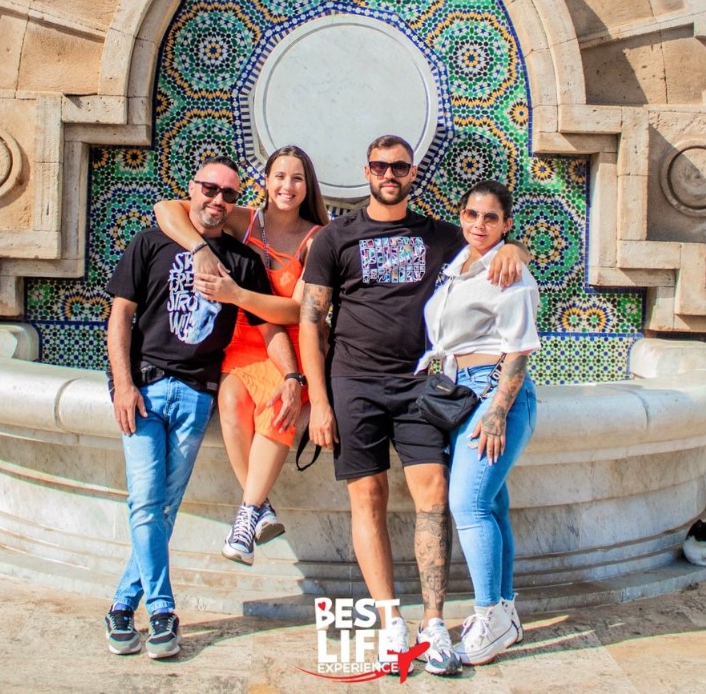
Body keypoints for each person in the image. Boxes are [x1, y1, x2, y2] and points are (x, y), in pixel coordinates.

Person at [299, 135, 526, 677]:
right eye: (380, 165)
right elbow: (310, 320)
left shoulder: (441, 236)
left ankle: (433, 624)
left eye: (399, 166)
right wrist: (319, 401)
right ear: (366, 171)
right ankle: (390, 623)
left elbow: (490, 245)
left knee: (435, 495)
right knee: (367, 498)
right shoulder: (336, 236)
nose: (389, 174)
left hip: (421, 385)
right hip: (353, 383)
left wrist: (515, 249)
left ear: (412, 172)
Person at [102, 156, 299, 660]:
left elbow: (270, 327)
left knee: (161, 507)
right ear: (191, 189)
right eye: (209, 189)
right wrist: (122, 385)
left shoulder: (243, 261)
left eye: (229, 194)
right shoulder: (152, 242)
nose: (217, 200)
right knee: (146, 501)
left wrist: (292, 375)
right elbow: (120, 317)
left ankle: (123, 605)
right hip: (143, 391)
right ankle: (162, 611)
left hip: (194, 394)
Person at [153, 145, 328, 564]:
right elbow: (165, 209)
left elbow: (299, 311)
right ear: (265, 181)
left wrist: (236, 294)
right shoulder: (243, 219)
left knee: (277, 408)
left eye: (297, 178)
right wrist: (199, 249)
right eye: (279, 176)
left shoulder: (317, 238)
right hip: (241, 341)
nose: (287, 186)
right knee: (230, 399)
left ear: (308, 187)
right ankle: (259, 508)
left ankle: (246, 515)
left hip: (291, 345)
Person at [421, 180, 540, 667]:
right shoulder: (458, 264)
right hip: (460, 392)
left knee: (468, 504)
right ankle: (506, 612)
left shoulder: (510, 272)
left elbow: (519, 349)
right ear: (461, 216)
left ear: (506, 223)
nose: (479, 224)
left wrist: (496, 412)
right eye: (472, 214)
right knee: (492, 504)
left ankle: (488, 614)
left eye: (491, 218)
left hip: (494, 393)